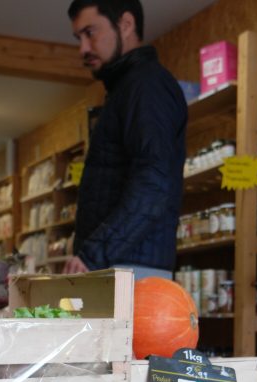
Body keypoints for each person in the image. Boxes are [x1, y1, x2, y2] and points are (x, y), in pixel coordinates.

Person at [64, 0, 187, 281]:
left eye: (90, 33)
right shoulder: (129, 87)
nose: (82, 48)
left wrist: (93, 254)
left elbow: (154, 182)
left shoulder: (146, 85)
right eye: (78, 38)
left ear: (126, 24)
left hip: (130, 272)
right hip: (121, 267)